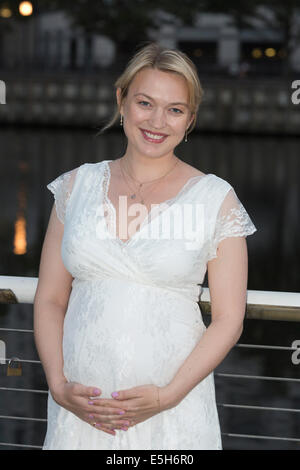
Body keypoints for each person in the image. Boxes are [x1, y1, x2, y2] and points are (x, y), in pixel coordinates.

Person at [33, 41, 257, 450]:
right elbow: (49, 298)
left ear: (190, 119)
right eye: (144, 103)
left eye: (175, 109)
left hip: (172, 411)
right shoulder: (75, 187)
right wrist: (58, 384)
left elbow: (229, 318)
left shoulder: (215, 198)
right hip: (81, 411)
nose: (157, 121)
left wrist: (168, 396)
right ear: (121, 101)